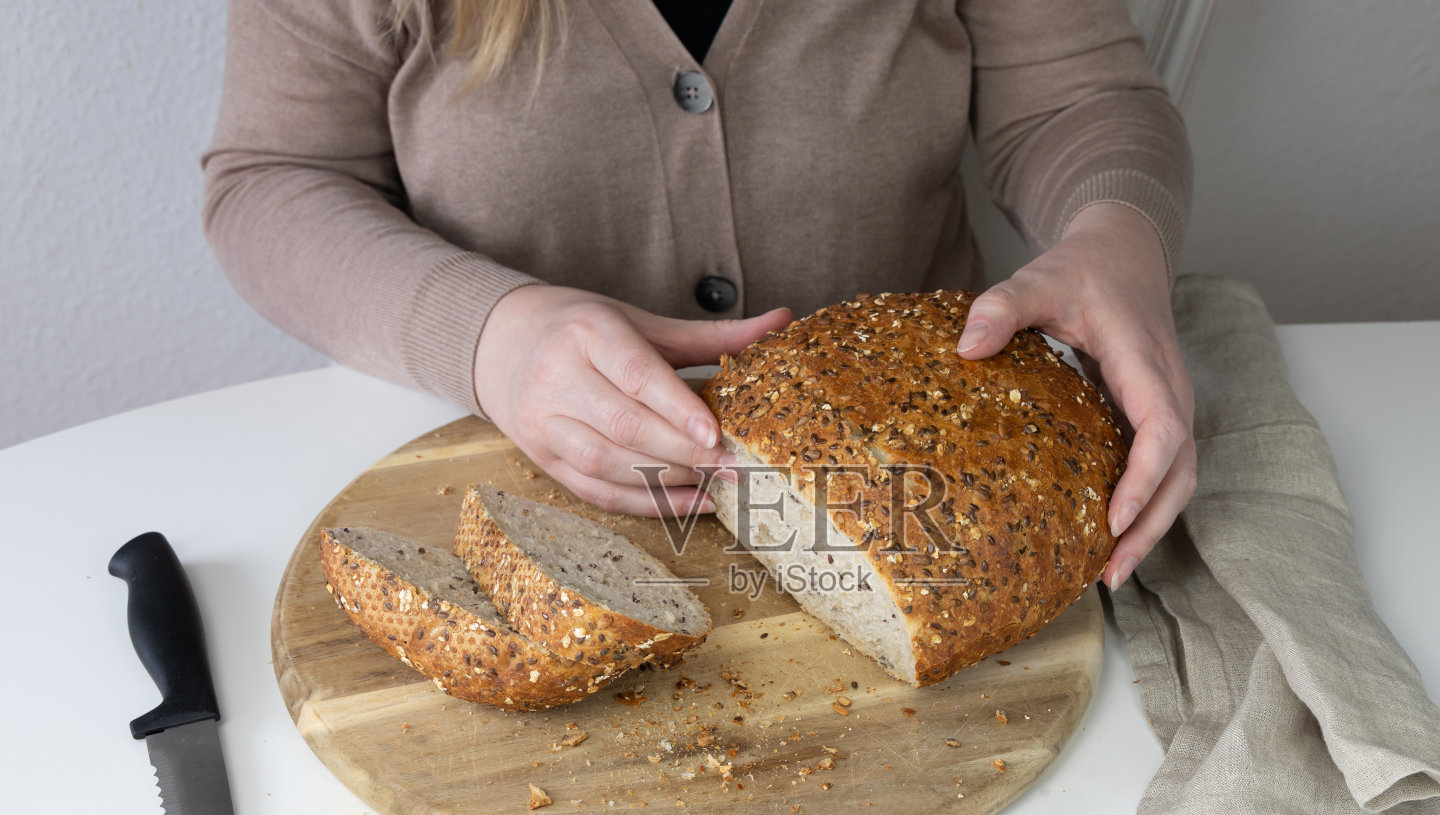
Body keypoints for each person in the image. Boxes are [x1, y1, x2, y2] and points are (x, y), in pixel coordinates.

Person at [203, 0, 1195, 593]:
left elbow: (1077, 98)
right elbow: (275, 180)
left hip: (931, 499)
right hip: (500, 474)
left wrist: (1118, 234)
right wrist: (486, 336)